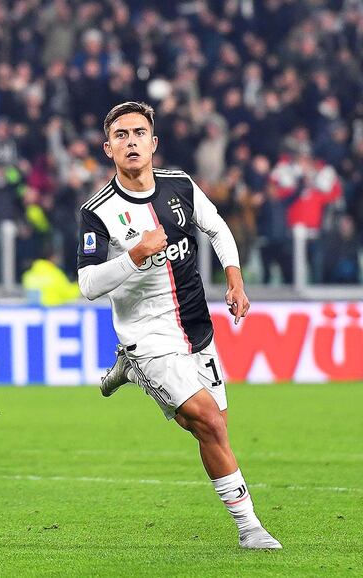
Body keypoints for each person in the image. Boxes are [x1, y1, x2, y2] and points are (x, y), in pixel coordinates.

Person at [78, 102, 281, 550]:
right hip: (147, 336)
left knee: (216, 428)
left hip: (196, 329)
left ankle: (130, 373)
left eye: (139, 133)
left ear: (154, 143)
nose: (131, 141)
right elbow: (88, 283)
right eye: (121, 135)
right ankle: (251, 529)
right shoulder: (97, 212)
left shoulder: (180, 185)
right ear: (107, 147)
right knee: (209, 422)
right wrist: (133, 256)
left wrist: (234, 279)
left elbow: (218, 228)